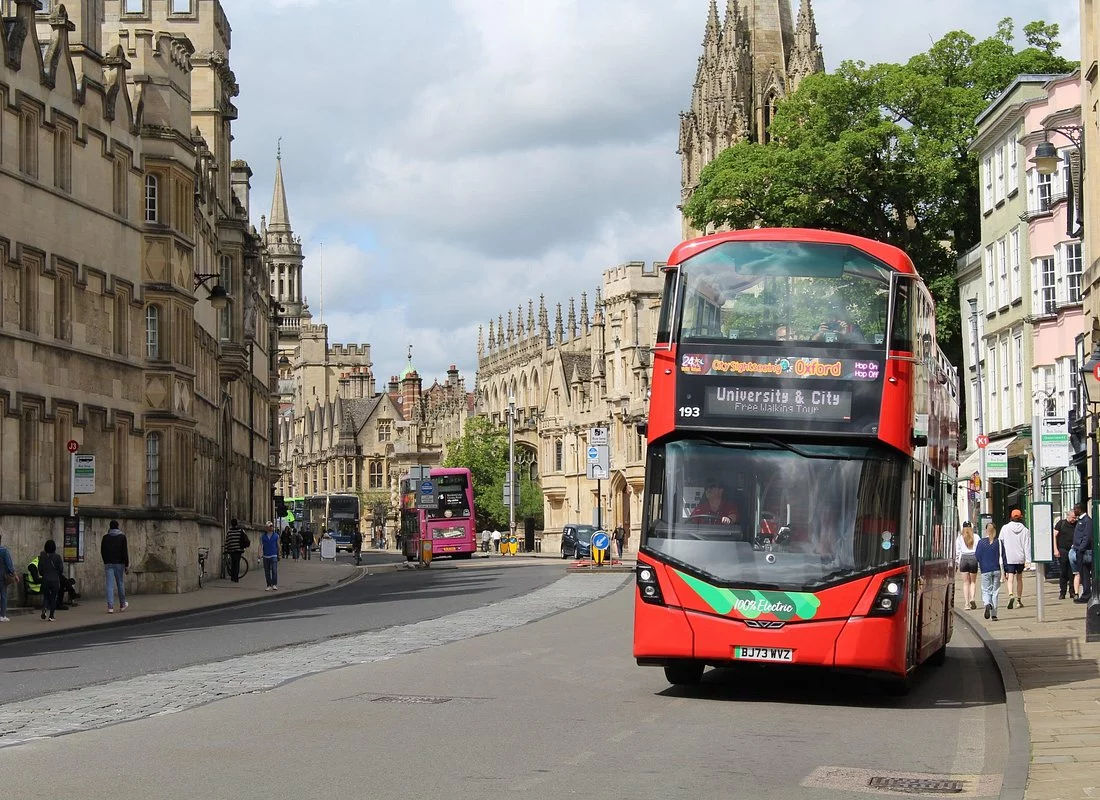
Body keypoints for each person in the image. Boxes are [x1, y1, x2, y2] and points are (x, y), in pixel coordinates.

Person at [999, 509, 1031, 609]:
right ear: (1020, 517)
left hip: (1009, 557)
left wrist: (1001, 557)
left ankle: (1010, 594)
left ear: (1011, 517)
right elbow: (1027, 546)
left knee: (1010, 577)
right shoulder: (1025, 530)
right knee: (1019, 578)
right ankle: (1019, 600)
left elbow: (1001, 541)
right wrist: (1028, 560)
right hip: (1020, 557)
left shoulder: (1005, 528)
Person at [975, 522, 1003, 620]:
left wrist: (982, 562)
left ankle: (987, 603)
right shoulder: (998, 542)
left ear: (986, 530)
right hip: (996, 570)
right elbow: (1003, 556)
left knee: (986, 590)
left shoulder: (981, 542)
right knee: (995, 591)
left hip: (985, 570)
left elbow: (977, 555)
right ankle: (994, 614)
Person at [101, 519, 129, 613]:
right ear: (117, 526)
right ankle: (122, 604)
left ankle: (110, 607)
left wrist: (106, 561)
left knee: (109, 585)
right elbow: (125, 552)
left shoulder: (105, 537)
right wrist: (126, 564)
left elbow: (102, 551)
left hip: (108, 563)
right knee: (120, 583)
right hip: (119, 563)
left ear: (110, 527)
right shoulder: (122, 537)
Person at [1053, 508, 1078, 600]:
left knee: (1072, 571)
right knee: (1063, 572)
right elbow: (1054, 536)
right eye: (1073, 517)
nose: (1074, 519)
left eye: (1075, 518)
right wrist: (1055, 549)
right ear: (1068, 516)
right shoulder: (1061, 523)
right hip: (1062, 550)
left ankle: (1072, 591)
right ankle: (1062, 592)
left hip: (1073, 550)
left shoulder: (1076, 524)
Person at [38, 539, 64, 621]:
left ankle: (44, 609)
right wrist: (57, 574)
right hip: (54, 580)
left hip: (45, 579)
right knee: (53, 597)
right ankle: (51, 616)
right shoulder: (57, 557)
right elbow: (61, 569)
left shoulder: (42, 557)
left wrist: (44, 574)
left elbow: (40, 569)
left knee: (46, 596)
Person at [1072, 502, 1093, 603]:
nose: (1074, 511)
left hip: (1084, 552)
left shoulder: (1087, 520)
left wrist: (1081, 548)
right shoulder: (1080, 520)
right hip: (1079, 550)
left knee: (1085, 574)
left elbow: (1087, 537)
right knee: (1083, 574)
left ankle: (1087, 594)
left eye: (1075, 509)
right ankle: (1086, 593)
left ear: (1079, 509)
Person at [956, 521, 979, 609]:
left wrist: (957, 563)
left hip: (964, 559)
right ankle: (972, 598)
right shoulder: (976, 537)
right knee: (973, 582)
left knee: (966, 583)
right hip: (973, 557)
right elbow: (979, 548)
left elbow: (957, 552)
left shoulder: (960, 538)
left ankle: (966, 604)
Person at [224, 518, 249, 583]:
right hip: (239, 549)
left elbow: (227, 541)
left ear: (231, 524)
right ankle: (236, 578)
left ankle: (232, 577)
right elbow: (245, 538)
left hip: (232, 550)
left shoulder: (229, 531)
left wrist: (226, 549)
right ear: (237, 524)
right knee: (237, 564)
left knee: (233, 563)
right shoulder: (240, 530)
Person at [260, 522, 279, 591]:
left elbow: (278, 545)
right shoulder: (263, 536)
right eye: (270, 526)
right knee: (267, 571)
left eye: (272, 526)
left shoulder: (276, 535)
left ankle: (274, 584)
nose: (272, 527)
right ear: (267, 528)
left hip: (274, 555)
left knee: (274, 570)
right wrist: (259, 555)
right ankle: (268, 585)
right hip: (266, 556)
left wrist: (279, 554)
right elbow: (261, 546)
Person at [0, 531, 14, 622]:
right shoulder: (4, 551)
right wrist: (14, 574)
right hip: (1, 577)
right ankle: (2, 615)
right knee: (3, 595)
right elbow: (9, 566)